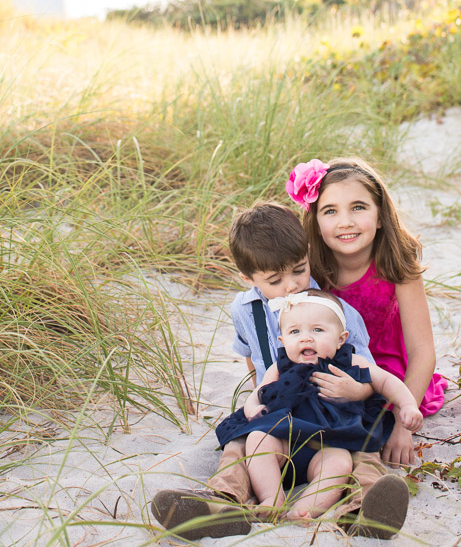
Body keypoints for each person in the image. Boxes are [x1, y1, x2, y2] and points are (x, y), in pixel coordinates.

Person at [151, 203, 411, 540]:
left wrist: (358, 393)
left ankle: (365, 509)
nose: (290, 286)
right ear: (248, 278)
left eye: (298, 271)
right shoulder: (245, 310)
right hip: (279, 413)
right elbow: (253, 358)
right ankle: (222, 503)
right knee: (240, 444)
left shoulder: (335, 311)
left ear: (306, 254)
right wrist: (259, 399)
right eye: (275, 280)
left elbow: (368, 374)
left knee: (362, 448)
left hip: (333, 414)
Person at [289, 156, 448, 469]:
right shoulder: (310, 268)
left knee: (371, 423)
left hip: (388, 370)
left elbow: (423, 351)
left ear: (379, 216)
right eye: (330, 211)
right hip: (330, 362)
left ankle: (365, 476)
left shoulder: (396, 265)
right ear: (316, 222)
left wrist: (404, 427)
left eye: (358, 207)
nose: (345, 221)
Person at [215, 290, 423, 522]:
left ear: (341, 338)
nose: (306, 338)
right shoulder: (280, 366)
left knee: (341, 462)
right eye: (295, 332)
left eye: (317, 330)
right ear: (283, 341)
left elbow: (385, 381)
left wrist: (407, 405)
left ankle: (306, 508)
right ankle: (271, 498)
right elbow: (258, 391)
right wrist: (252, 408)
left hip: (330, 442)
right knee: (256, 439)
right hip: (285, 440)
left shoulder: (350, 361)